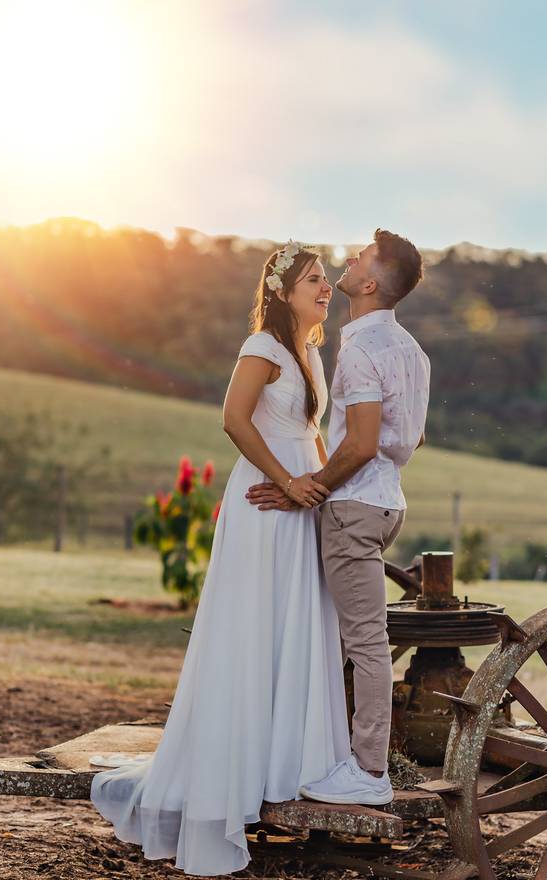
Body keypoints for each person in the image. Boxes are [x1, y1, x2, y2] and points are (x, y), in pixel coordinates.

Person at [90, 242, 351, 877]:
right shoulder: (261, 348)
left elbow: (311, 433)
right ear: (284, 290)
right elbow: (234, 420)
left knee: (296, 624)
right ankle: (227, 778)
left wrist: (321, 484)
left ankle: (282, 766)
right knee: (252, 624)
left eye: (326, 280)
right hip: (264, 502)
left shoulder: (311, 352)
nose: (326, 289)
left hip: (301, 500)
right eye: (314, 280)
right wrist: (286, 482)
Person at [247, 229, 430, 805]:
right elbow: (411, 437)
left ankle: (369, 773)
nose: (348, 262)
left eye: (360, 259)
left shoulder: (360, 349)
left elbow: (360, 444)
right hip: (387, 501)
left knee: (364, 644)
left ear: (370, 283)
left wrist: (307, 489)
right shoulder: (413, 351)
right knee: (343, 636)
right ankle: (317, 748)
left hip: (353, 506)